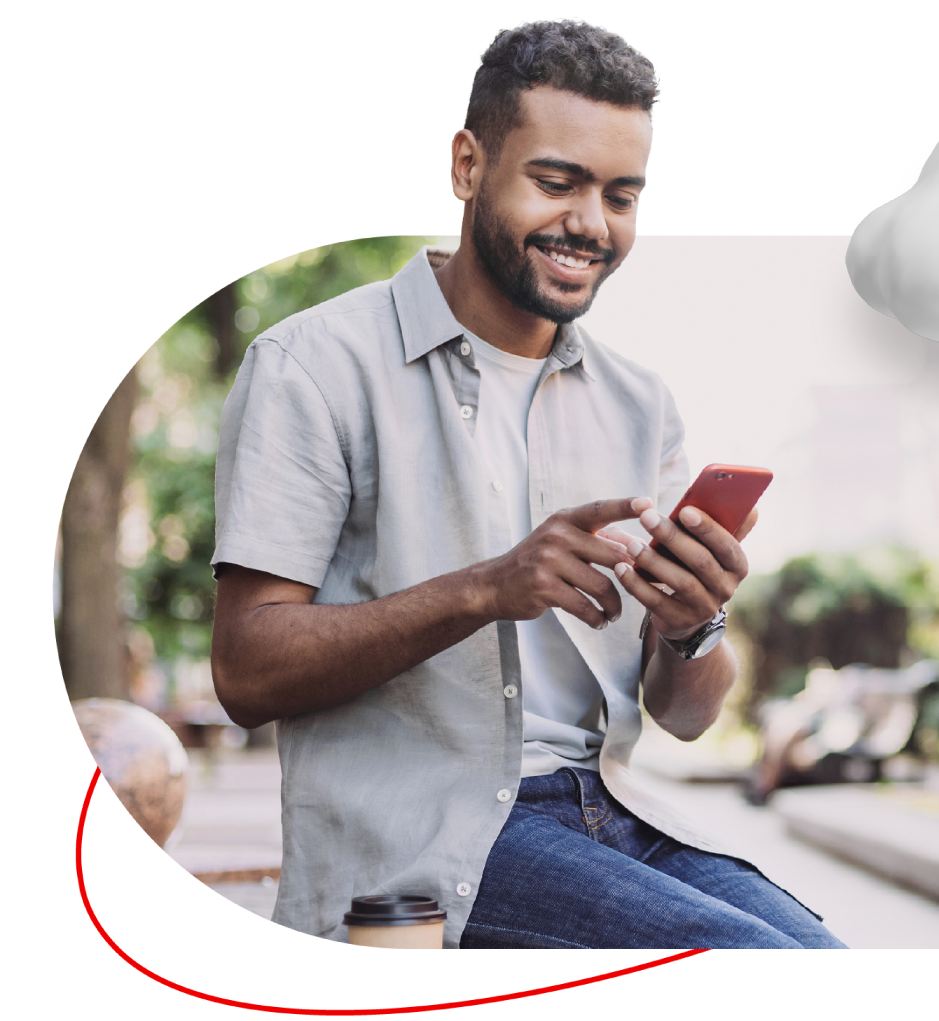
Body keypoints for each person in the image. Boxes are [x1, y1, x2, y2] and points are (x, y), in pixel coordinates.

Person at [210, 16, 845, 949]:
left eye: (620, 195)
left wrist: (692, 623)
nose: (589, 224)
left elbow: (684, 715)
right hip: (428, 837)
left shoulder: (640, 404)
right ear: (468, 166)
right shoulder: (312, 366)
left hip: (615, 816)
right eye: (556, 182)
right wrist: (485, 587)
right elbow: (245, 671)